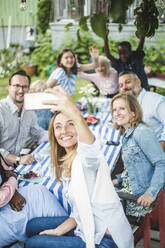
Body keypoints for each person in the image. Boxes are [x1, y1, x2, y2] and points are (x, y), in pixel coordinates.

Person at [25, 86, 133, 248]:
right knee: (31, 226)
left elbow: (91, 148)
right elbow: (78, 212)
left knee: (33, 243)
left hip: (107, 240)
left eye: (71, 124)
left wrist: (73, 111)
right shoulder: (66, 161)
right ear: (53, 134)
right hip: (85, 223)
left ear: (78, 127)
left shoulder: (85, 158)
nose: (64, 131)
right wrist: (57, 231)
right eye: (58, 127)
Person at [110, 93, 165, 217]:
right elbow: (136, 168)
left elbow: (161, 163)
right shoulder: (127, 134)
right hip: (130, 189)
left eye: (122, 109)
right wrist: (118, 179)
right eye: (114, 110)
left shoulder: (141, 133)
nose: (117, 113)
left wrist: (150, 193)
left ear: (133, 112)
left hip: (139, 198)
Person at [0, 70, 48, 167]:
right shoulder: (1, 110)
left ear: (28, 89)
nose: (21, 90)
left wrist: (59, 135)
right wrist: (18, 159)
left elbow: (38, 134)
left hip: (14, 166)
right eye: (17, 86)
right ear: (9, 87)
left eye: (24, 87)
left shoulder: (29, 112)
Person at [118, 71, 165, 152]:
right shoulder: (128, 102)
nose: (124, 87)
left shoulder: (156, 100)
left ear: (138, 82)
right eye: (121, 85)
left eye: (128, 82)